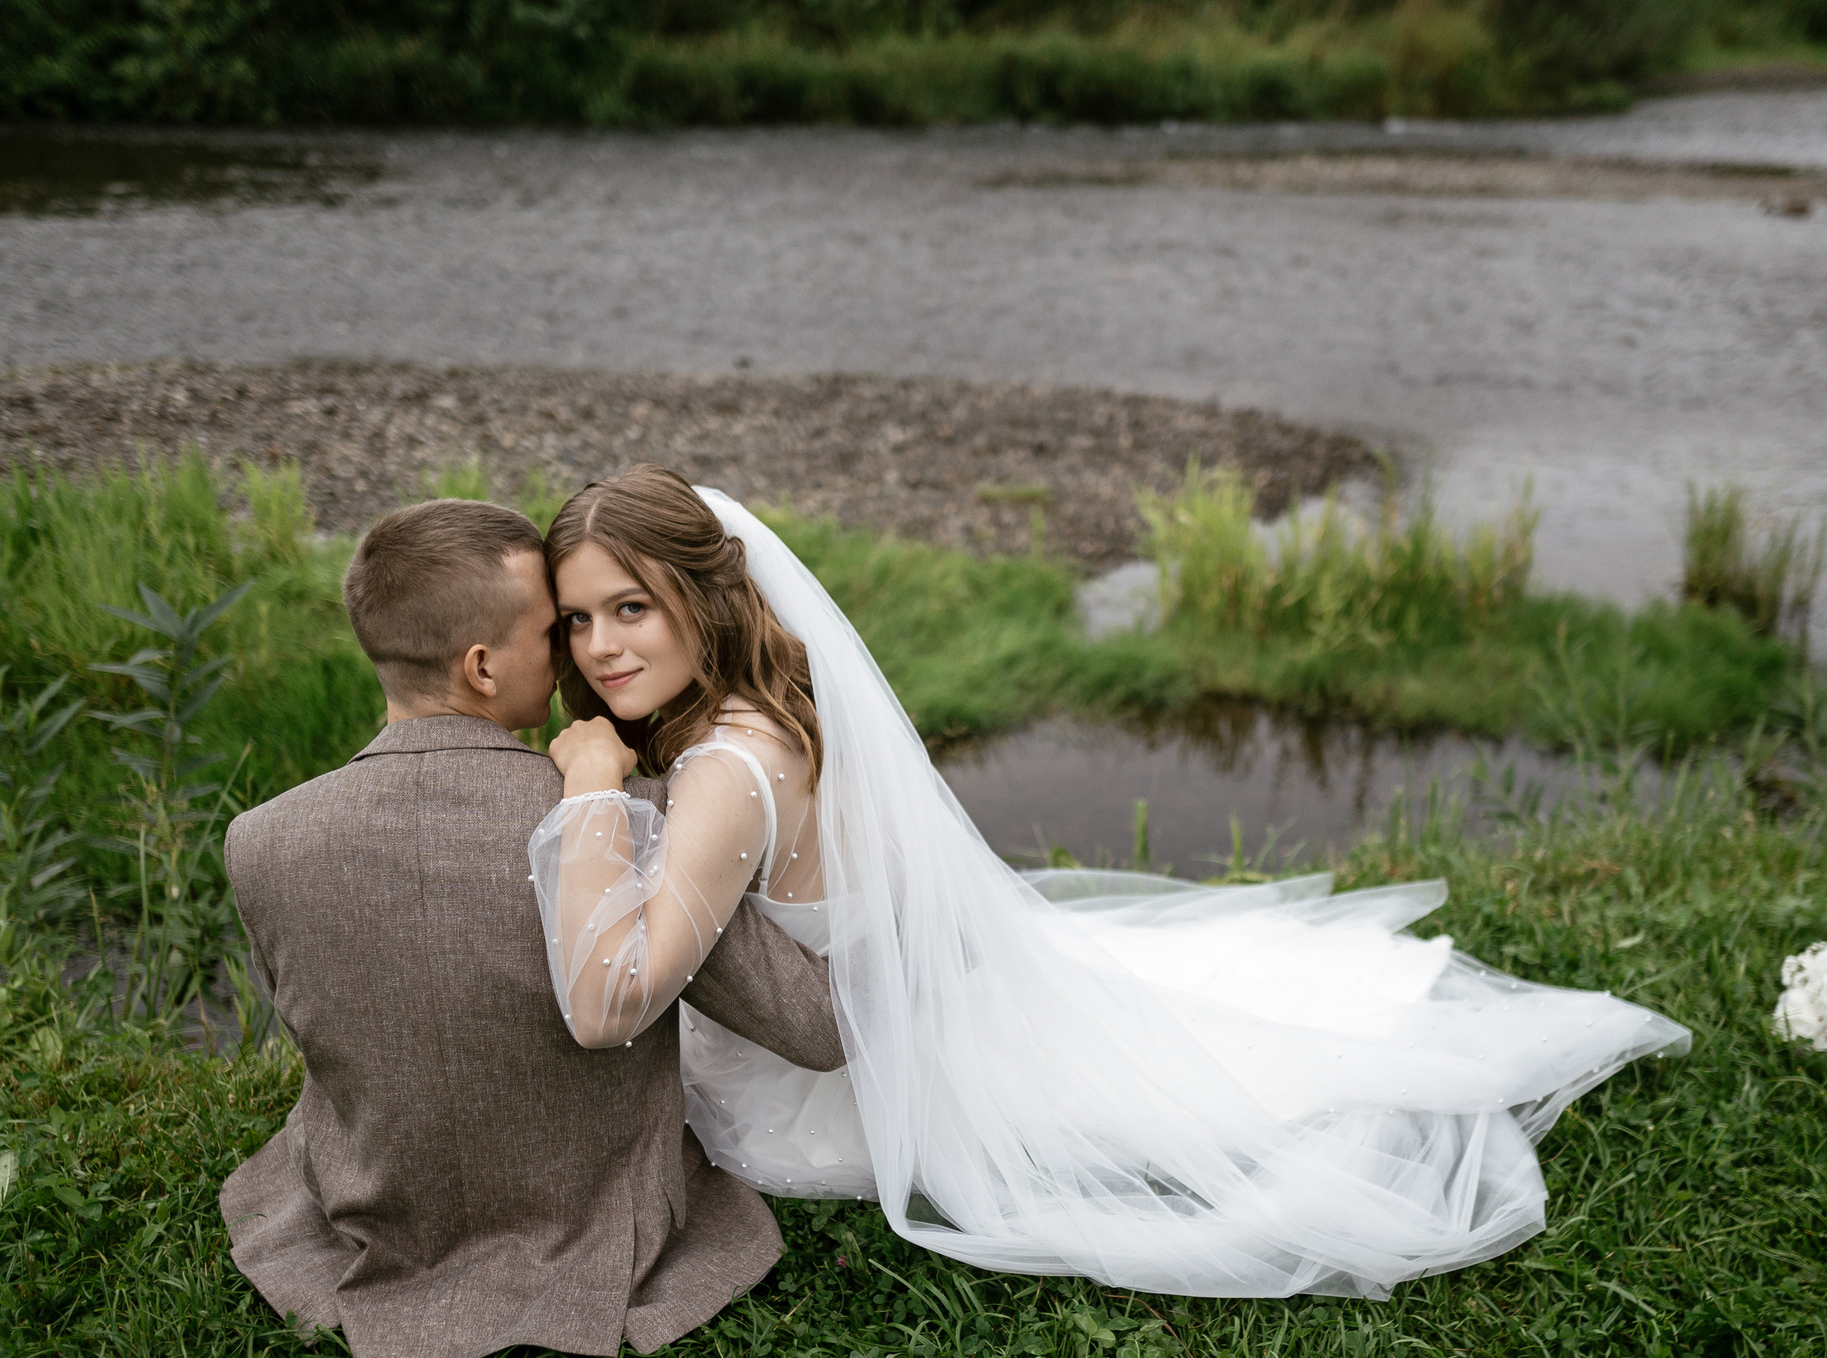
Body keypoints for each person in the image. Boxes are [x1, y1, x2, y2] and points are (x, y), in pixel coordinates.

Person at [530, 465, 1692, 1300]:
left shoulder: (728, 766)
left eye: (631, 608)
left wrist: (590, 790)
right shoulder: (759, 707)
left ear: (707, 595)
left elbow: (616, 996)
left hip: (832, 1090)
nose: (599, 649)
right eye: (577, 619)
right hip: (909, 1008)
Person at [217, 498, 845, 1358]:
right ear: (482, 666)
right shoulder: (622, 821)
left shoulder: (260, 839)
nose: (576, 660)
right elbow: (803, 1019)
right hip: (601, 1225)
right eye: (557, 631)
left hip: (379, 1207)